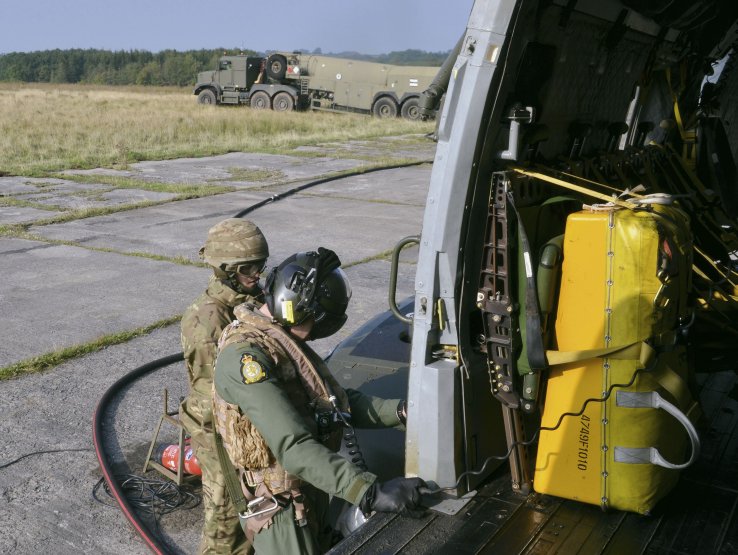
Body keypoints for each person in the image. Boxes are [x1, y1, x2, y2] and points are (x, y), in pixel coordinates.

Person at [212, 248, 426, 554]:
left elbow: (335, 402)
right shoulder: (246, 359)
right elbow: (293, 447)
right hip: (282, 509)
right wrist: (369, 492)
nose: (317, 329)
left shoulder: (281, 339)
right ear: (295, 309)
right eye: (315, 318)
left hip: (310, 489)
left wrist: (402, 411)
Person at [180, 218, 269, 555]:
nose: (257, 275)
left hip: (245, 424)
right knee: (227, 523)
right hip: (219, 432)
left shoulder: (248, 298)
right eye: (249, 268)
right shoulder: (208, 320)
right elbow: (213, 398)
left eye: (260, 266)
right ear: (226, 269)